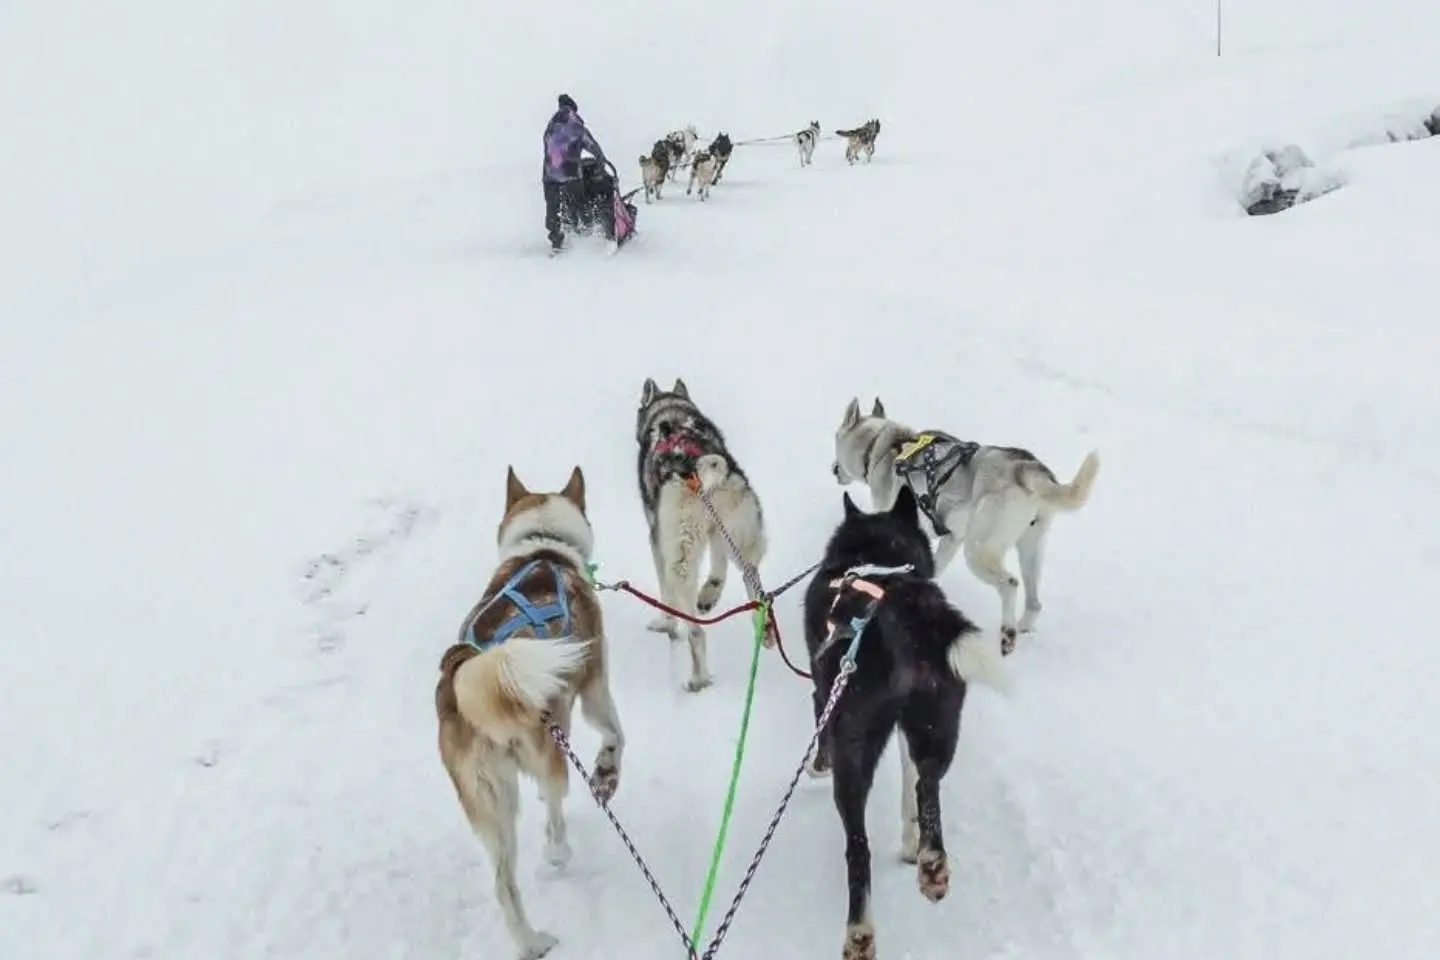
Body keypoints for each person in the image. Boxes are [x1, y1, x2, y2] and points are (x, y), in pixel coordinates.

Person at [542, 94, 611, 252]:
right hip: (570, 172)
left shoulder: (551, 126)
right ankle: (586, 234)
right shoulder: (576, 126)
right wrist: (601, 162)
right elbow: (592, 146)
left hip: (550, 174)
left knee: (553, 207)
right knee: (579, 203)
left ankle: (556, 240)